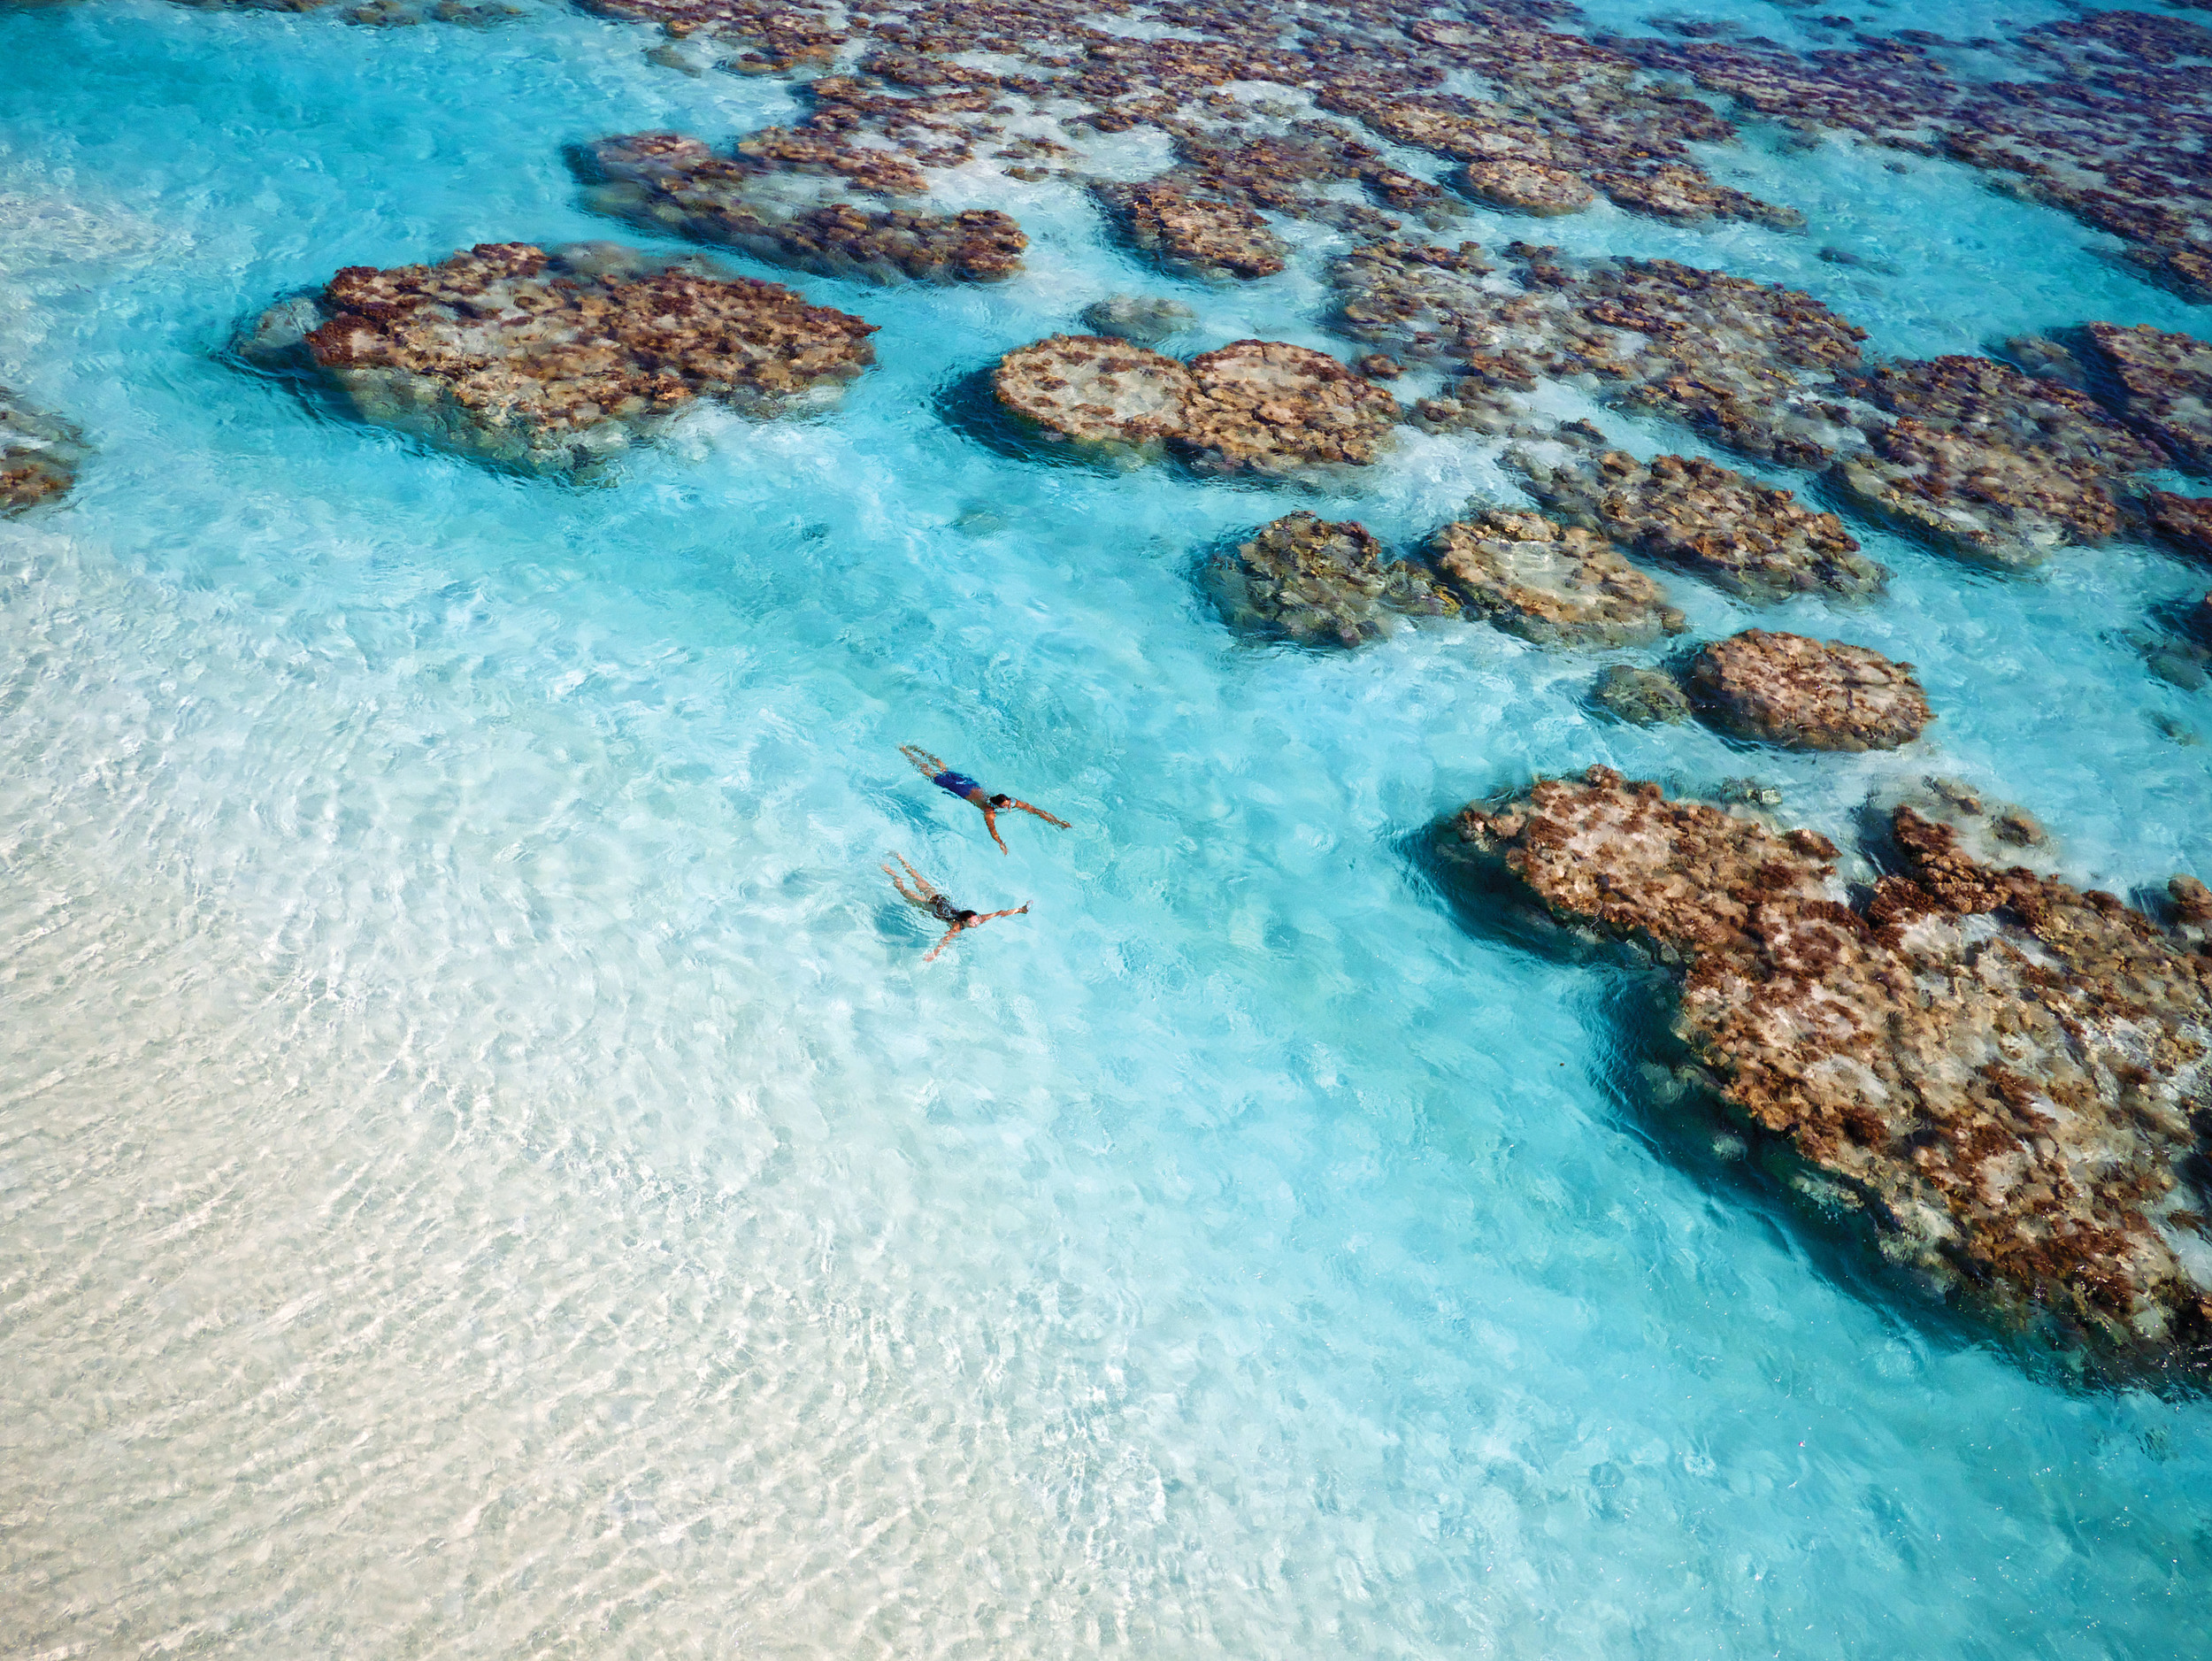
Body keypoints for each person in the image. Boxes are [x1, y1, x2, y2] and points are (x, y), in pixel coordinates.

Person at [900, 743, 1071, 855]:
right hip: (960, 789)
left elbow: (1034, 810)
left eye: (1008, 804)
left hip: (968, 783)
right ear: (998, 805)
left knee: (942, 767)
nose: (1009, 806)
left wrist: (1056, 821)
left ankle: (916, 748)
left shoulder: (1008, 800)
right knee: (930, 772)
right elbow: (992, 830)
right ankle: (907, 753)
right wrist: (1000, 843)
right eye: (1006, 806)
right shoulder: (989, 811)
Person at [882, 853, 1029, 962]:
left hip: (940, 898)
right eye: (974, 922)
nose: (977, 923)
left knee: (918, 879)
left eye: (977, 920)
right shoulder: (957, 927)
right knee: (905, 892)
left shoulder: (980, 919)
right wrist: (934, 954)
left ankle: (901, 859)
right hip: (932, 906)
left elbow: (1000, 913)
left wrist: (1020, 910)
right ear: (964, 922)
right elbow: (946, 939)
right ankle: (892, 872)